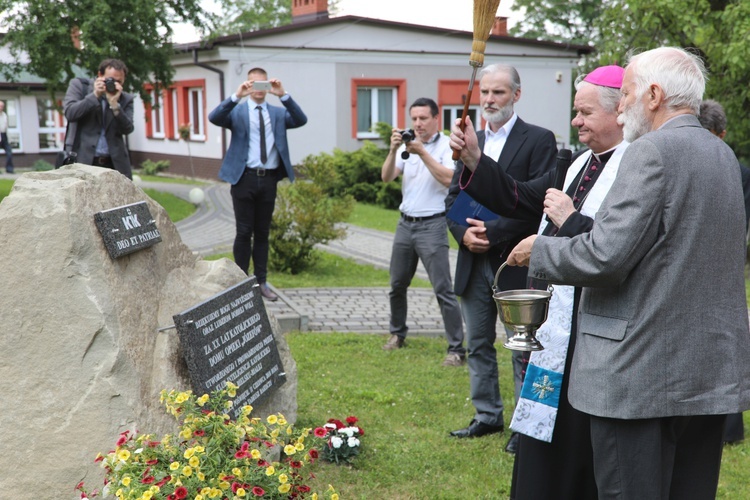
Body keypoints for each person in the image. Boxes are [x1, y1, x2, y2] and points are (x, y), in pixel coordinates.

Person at [483, 47, 750, 499]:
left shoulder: (651, 152)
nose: (621, 106)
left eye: (624, 94)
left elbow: (606, 257)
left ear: (653, 94)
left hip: (639, 377)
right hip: (704, 374)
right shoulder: (720, 153)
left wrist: (540, 249)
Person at [451, 65, 626, 499]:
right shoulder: (581, 162)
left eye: (584, 112)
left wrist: (569, 221)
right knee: (545, 448)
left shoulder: (636, 167)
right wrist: (474, 158)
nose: (575, 122)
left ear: (619, 113)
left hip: (596, 328)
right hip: (558, 326)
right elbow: (521, 197)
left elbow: (615, 249)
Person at [445, 64, 557, 444]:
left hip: (515, 262)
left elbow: (533, 204)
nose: (490, 100)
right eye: (485, 93)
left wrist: (492, 234)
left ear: (516, 95)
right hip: (472, 260)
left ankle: (524, 425)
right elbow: (451, 198)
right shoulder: (467, 140)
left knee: (521, 346)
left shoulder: (539, 140)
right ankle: (487, 414)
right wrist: (462, 234)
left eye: (499, 93)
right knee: (476, 343)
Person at [209, 67, 307, 301]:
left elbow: (300, 119)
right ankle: (240, 283)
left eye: (263, 84)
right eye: (254, 84)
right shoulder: (238, 112)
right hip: (244, 178)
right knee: (244, 231)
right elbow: (215, 117)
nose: (259, 89)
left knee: (262, 233)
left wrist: (283, 94)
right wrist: (236, 96)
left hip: (269, 179)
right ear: (248, 85)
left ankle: (261, 282)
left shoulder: (277, 113)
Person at [380, 97, 465, 366]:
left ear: (436, 118)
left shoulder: (446, 146)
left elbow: (450, 179)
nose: (418, 123)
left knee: (443, 289)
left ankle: (456, 350)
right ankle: (397, 334)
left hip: (433, 225)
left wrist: (422, 152)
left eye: (423, 118)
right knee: (396, 285)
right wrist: (394, 150)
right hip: (405, 224)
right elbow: (386, 177)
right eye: (414, 118)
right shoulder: (408, 145)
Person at [698, 98, 750, 445]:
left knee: (726, 342)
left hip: (723, 261)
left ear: (722, 135)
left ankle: (729, 425)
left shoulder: (739, 169)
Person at [62, 58, 134, 179]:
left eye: (119, 82)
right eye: (111, 80)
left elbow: (127, 129)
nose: (114, 85)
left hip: (113, 164)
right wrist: (94, 96)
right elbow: (70, 113)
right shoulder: (80, 86)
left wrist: (115, 106)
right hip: (83, 160)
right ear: (100, 75)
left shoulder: (125, 99)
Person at [0, 101, 14, 173]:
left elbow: (6, 127)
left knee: (9, 152)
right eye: (0, 106)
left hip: (4, 135)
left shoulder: (4, 115)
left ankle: (9, 169)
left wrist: (9, 138)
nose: (1, 107)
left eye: (2, 106)